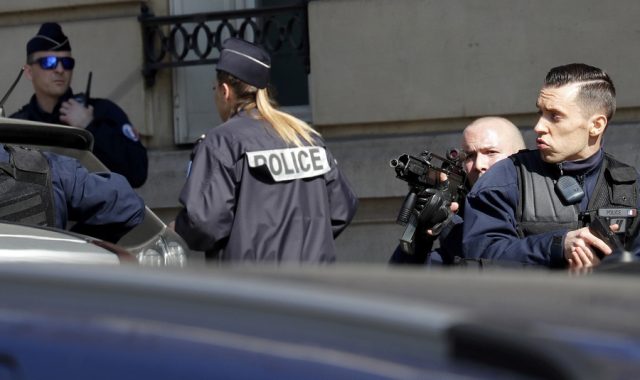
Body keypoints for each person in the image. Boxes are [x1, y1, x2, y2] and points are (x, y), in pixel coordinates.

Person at [174, 38, 358, 262]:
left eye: (215, 89)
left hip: (254, 289)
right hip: (314, 288)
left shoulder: (222, 141)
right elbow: (342, 208)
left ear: (225, 91)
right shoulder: (305, 137)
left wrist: (177, 230)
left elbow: (204, 222)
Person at [463, 63, 640, 269]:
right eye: (540, 112)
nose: (538, 127)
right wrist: (556, 246)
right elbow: (479, 253)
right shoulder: (505, 178)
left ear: (596, 125)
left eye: (555, 116)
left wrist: (609, 264)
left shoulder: (632, 186)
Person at [11, 22, 148, 188]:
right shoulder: (17, 127)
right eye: (49, 62)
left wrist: (90, 127)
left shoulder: (102, 112)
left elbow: (137, 173)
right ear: (29, 72)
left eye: (67, 63)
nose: (60, 69)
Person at [390, 117, 526, 265]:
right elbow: (402, 277)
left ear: (520, 155)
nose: (478, 165)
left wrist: (452, 225)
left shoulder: (539, 199)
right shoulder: (462, 210)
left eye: (491, 152)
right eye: (470, 156)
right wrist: (423, 234)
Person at [0, 144, 144, 243]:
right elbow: (124, 204)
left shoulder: (42, 170)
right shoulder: (44, 169)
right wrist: (76, 249)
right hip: (44, 284)